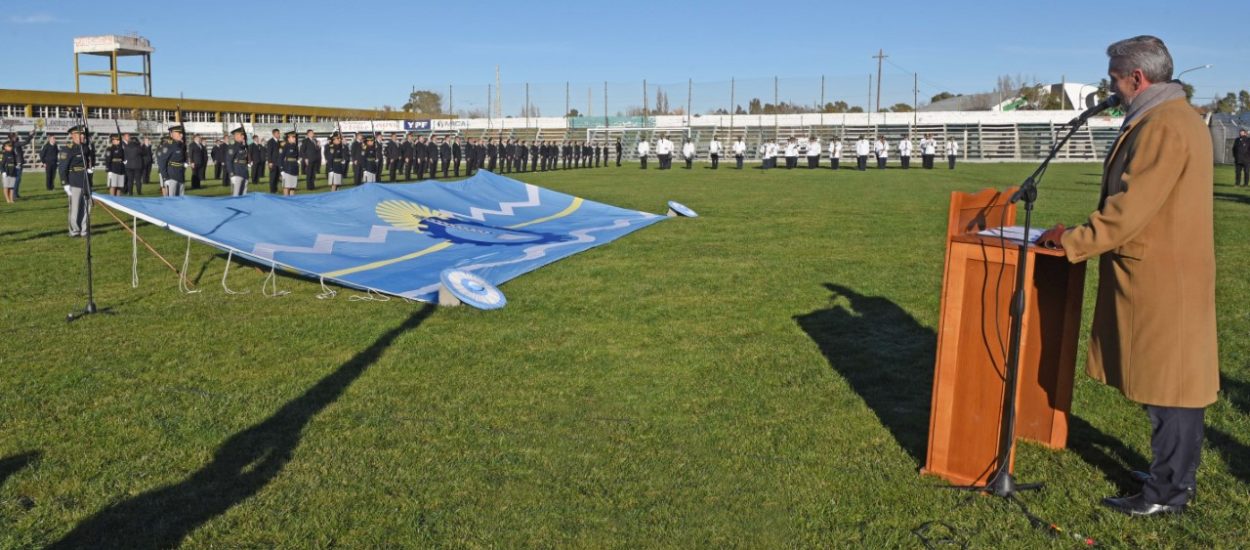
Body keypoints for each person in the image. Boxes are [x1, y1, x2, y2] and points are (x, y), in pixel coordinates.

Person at [1036, 35, 1217, 518]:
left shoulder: (1164, 124)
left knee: (1173, 389)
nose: (1110, 87)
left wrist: (1072, 240)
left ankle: (1168, 493)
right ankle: (1168, 476)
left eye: (1114, 78)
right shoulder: (1164, 117)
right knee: (1168, 384)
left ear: (1137, 78)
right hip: (1161, 270)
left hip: (1164, 277)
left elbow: (1130, 208)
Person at [62, 125, 93, 235]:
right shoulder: (68, 148)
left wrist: (90, 169)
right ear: (73, 135)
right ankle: (74, 230)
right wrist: (65, 183)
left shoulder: (86, 147)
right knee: (74, 208)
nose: (82, 136)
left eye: (83, 134)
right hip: (74, 181)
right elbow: (63, 167)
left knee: (86, 207)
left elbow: (89, 160)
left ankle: (84, 229)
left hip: (86, 180)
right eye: (80, 134)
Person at [157, 125, 187, 197]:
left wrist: (184, 163)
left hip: (180, 174)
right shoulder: (168, 145)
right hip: (172, 175)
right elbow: (162, 162)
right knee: (172, 198)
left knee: (181, 197)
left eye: (181, 133)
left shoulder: (180, 145)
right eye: (179, 133)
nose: (181, 135)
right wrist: (165, 177)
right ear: (172, 134)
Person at [224, 126, 250, 196]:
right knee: (236, 194)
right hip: (237, 172)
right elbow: (229, 161)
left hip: (244, 172)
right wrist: (232, 174)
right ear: (237, 136)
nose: (243, 137)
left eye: (243, 135)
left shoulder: (243, 146)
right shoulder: (233, 146)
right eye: (242, 135)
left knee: (244, 193)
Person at [279, 130, 300, 196]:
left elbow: (296, 157)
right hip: (287, 169)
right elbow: (280, 159)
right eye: (293, 137)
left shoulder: (295, 146)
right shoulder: (285, 146)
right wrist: (281, 170)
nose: (294, 138)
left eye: (294, 137)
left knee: (293, 187)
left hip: (294, 169)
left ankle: (292, 202)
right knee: (286, 187)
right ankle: (285, 202)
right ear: (288, 138)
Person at [8, 133, 24, 198]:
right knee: (17, 179)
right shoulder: (15, 143)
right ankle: (14, 194)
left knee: (18, 179)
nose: (17, 137)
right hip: (18, 163)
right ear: (13, 138)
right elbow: (25, 142)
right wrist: (30, 136)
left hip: (17, 163)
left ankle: (15, 193)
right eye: (15, 136)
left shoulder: (12, 143)